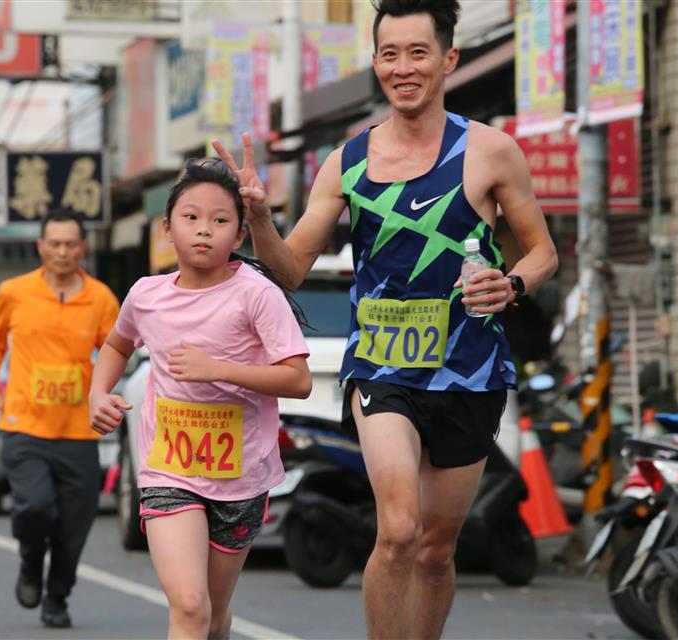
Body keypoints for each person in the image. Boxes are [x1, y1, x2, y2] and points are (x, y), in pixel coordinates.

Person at [214, 1, 559, 636]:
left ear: (448, 59)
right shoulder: (347, 161)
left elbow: (543, 252)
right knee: (397, 530)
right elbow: (289, 270)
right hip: (381, 365)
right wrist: (259, 217)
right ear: (375, 62)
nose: (403, 68)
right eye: (389, 54)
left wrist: (510, 284)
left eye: (418, 53)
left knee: (435, 549)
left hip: (470, 370)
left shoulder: (491, 151)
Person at [89, 160, 311, 640]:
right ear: (167, 229)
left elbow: (298, 380)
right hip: (169, 468)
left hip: (241, 476)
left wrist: (219, 370)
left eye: (220, 220)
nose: (204, 230)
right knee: (189, 607)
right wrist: (96, 394)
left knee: (211, 616)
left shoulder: (257, 295)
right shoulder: (146, 295)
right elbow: (117, 344)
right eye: (190, 218)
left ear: (238, 234)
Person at [0, 211, 119, 628]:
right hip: (24, 425)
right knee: (34, 507)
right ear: (41, 246)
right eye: (53, 244)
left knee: (75, 525)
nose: (62, 251)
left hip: (79, 432)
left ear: (82, 247)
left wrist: (108, 395)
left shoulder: (101, 299)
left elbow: (115, 353)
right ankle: (29, 560)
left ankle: (57, 596)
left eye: (70, 244)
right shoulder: (13, 292)